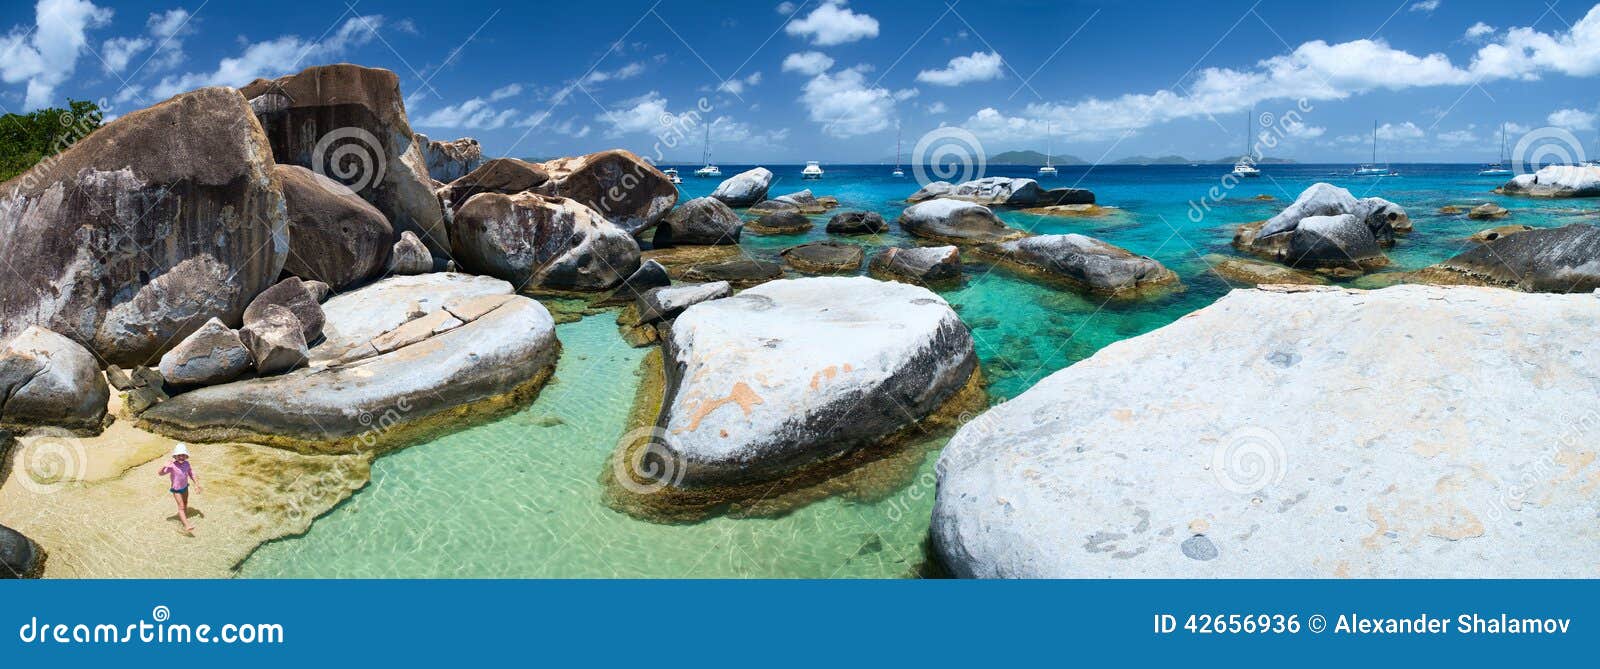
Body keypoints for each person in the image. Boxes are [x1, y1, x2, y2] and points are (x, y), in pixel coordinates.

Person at [158, 443, 199, 534]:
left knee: (185, 503)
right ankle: (186, 524)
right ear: (175, 456)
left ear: (186, 456)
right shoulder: (172, 465)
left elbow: (191, 474)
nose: (181, 457)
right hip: (176, 490)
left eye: (183, 455)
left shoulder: (187, 464)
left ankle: (183, 516)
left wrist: (196, 484)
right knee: (181, 507)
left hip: (185, 487)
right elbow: (160, 473)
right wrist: (164, 466)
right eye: (179, 455)